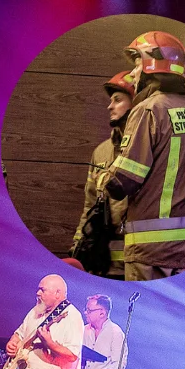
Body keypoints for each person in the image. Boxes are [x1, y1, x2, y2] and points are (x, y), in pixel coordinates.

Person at [102, 31, 185, 281]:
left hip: (150, 254)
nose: (133, 74)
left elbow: (122, 182)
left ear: (150, 66)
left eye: (136, 66)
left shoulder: (148, 110)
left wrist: (104, 179)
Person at [72, 71, 136, 278]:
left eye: (118, 100)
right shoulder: (101, 152)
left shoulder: (147, 148)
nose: (110, 106)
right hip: (103, 265)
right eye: (111, 100)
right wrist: (78, 244)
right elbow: (90, 203)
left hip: (138, 265)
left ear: (136, 104)